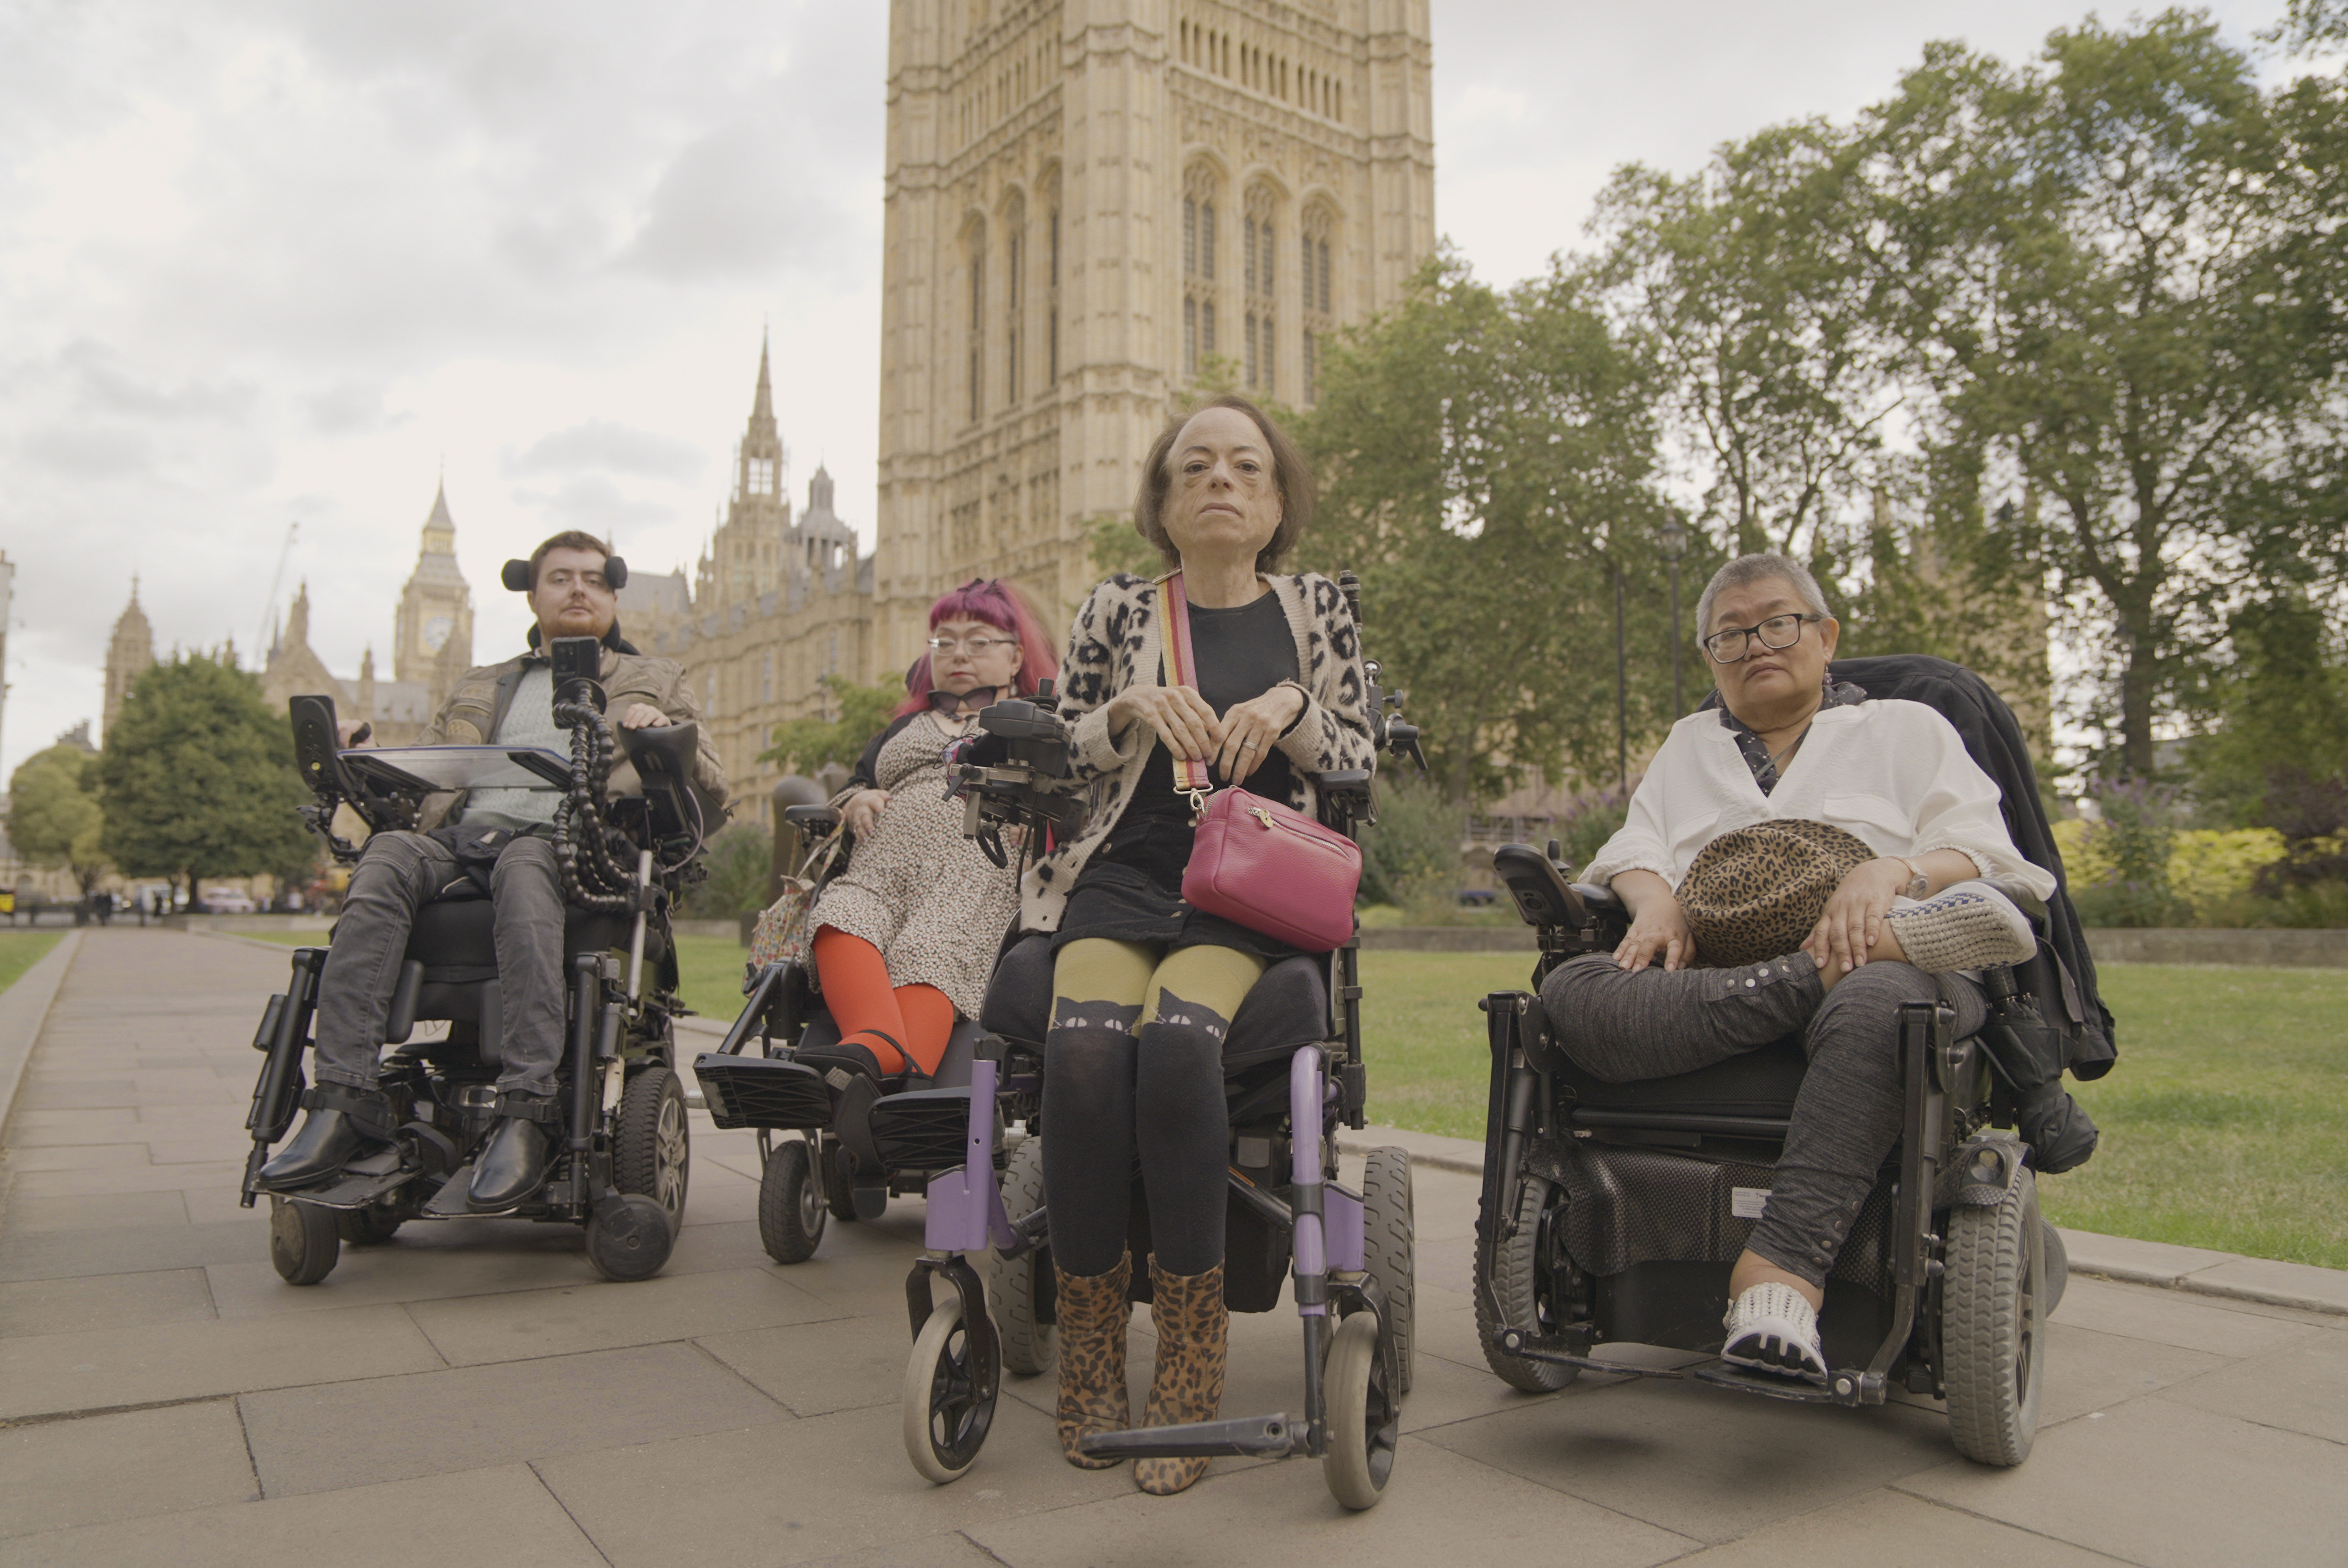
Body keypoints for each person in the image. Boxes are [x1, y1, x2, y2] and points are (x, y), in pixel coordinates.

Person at [1545, 551, 2054, 1384]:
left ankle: (1780, 1279)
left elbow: (1993, 857)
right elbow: (1635, 845)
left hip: (1889, 973)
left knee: (1882, 1000)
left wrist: (1894, 871)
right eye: (1731, 635)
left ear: (1826, 637)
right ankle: (1823, 969)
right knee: (1569, 992)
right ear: (1711, 658)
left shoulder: (1907, 729)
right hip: (1720, 971)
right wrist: (1653, 897)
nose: (1755, 645)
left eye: (1777, 624)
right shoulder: (1688, 745)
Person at [1027, 394, 1374, 1495]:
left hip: (1247, 893)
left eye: (1245, 466)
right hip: (1124, 878)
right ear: (1164, 501)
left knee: (1176, 1044)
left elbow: (1359, 758)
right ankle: (1091, 1351)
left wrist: (1292, 708)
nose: (1220, 480)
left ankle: (1188, 1361)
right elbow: (1056, 754)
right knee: (1083, 1049)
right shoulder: (1118, 607)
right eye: (1195, 467)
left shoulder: (1315, 609)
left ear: (1276, 500)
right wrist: (1127, 711)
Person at [259, 530, 725, 1210]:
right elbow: (422, 771)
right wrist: (366, 752)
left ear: (613, 598)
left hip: (571, 847)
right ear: (531, 595)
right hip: (461, 843)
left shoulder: (655, 678)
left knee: (524, 860)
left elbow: (713, 782)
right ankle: (342, 1101)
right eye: (560, 578)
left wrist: (662, 737)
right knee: (385, 858)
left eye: (594, 580)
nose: (578, 589)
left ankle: (527, 1105)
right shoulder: (480, 683)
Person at [805, 578, 1058, 1079]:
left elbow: (1069, 792)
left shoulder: (1033, 722)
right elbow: (855, 783)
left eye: (979, 641)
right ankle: (875, 1042)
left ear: (1015, 657)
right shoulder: (902, 728)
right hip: (880, 865)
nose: (958, 653)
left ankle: (883, 1061)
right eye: (945, 642)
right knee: (840, 914)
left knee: (930, 946)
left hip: (972, 872)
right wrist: (856, 800)